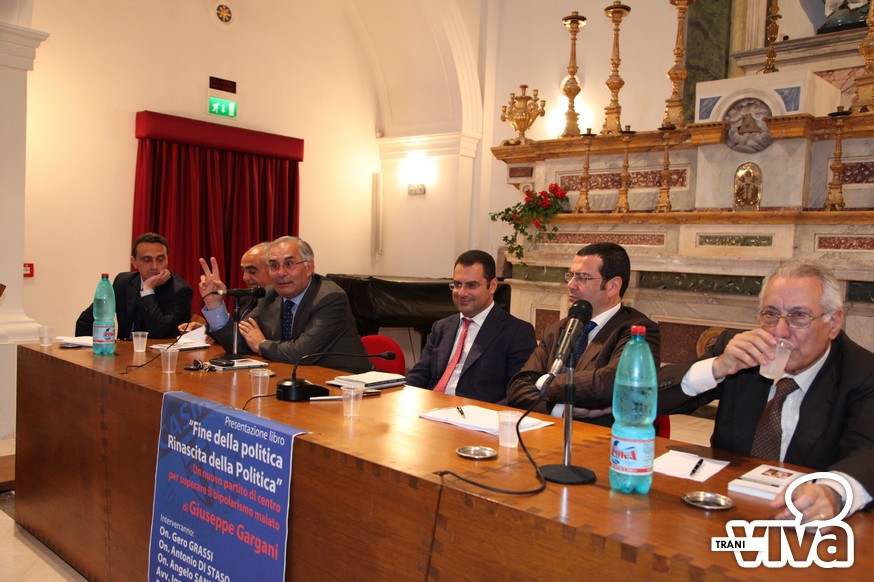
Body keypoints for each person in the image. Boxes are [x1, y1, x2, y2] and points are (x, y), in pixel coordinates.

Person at [657, 260, 873, 520]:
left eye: (799, 316)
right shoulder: (740, 352)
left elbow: (867, 453)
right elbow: (650, 399)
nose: (780, 332)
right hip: (726, 506)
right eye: (771, 314)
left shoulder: (862, 372)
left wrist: (834, 492)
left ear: (834, 322)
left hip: (802, 519)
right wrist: (718, 367)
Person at [507, 242, 659, 426]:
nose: (570, 285)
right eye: (570, 275)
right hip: (549, 431)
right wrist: (561, 410)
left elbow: (608, 384)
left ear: (613, 286)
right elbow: (517, 388)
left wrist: (544, 382)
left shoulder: (638, 330)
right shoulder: (557, 329)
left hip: (606, 436)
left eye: (582, 278)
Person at [198, 235, 370, 372]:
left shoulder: (330, 298)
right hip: (294, 377)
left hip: (346, 383)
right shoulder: (270, 295)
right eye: (274, 266)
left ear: (309, 267)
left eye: (289, 264)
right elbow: (238, 343)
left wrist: (261, 344)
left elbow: (301, 353)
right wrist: (214, 306)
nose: (281, 273)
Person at [405, 250, 536, 404]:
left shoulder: (517, 332)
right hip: (430, 408)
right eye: (457, 284)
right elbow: (418, 376)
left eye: (471, 285)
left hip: (476, 415)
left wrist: (482, 415)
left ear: (492, 286)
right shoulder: (441, 327)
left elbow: (518, 394)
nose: (461, 293)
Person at [75, 232, 193, 339]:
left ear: (167, 260)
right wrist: (90, 348)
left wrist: (147, 290)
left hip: (159, 354)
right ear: (134, 262)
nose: (155, 266)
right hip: (123, 352)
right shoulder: (123, 282)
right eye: (147, 259)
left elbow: (158, 331)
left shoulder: (180, 290)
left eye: (160, 259)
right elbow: (86, 321)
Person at [178, 242, 271, 334]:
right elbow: (234, 335)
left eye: (252, 271)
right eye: (243, 271)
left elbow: (239, 339)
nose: (244, 278)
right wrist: (204, 330)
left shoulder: (276, 304)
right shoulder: (247, 298)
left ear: (273, 269)